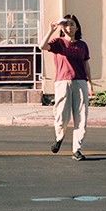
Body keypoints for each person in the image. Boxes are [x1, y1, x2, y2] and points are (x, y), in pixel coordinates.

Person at [39, 14, 94, 161]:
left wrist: (90, 83)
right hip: (62, 82)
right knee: (61, 114)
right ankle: (59, 137)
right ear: (63, 27)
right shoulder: (58, 42)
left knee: (81, 116)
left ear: (77, 27)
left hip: (80, 82)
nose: (69, 27)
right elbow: (42, 46)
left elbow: (85, 64)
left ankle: (77, 149)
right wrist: (51, 30)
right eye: (66, 24)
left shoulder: (82, 45)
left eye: (72, 24)